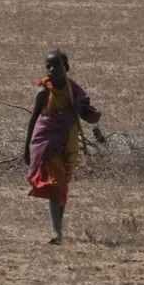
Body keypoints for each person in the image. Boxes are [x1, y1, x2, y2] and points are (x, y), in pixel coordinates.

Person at [23, 50, 101, 244]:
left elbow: (92, 116)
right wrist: (27, 149)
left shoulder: (74, 92)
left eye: (55, 66)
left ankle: (59, 229)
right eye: (48, 66)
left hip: (68, 142)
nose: (51, 70)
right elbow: (33, 121)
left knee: (62, 184)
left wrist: (79, 109)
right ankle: (57, 233)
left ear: (66, 68)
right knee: (54, 182)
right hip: (47, 143)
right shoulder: (43, 92)